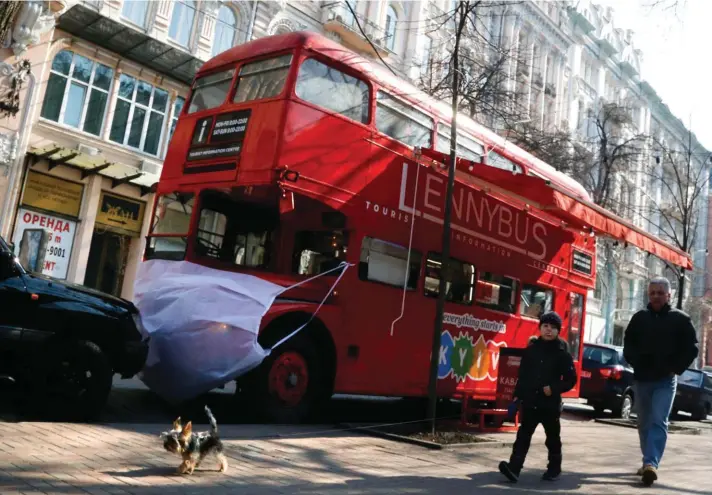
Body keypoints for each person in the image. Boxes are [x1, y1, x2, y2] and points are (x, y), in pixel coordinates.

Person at [623, 277, 699, 487]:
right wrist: (635, 361)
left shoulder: (681, 319)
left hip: (666, 381)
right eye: (652, 293)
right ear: (649, 295)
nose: (656, 296)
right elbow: (628, 343)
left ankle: (650, 464)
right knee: (643, 423)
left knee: (658, 420)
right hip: (642, 379)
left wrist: (676, 368)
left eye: (660, 293)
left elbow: (692, 347)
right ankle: (648, 460)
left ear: (668, 295)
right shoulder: (639, 318)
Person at [498, 311, 577, 483]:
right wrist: (516, 396)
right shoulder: (531, 351)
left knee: (552, 437)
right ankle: (514, 468)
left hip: (550, 404)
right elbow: (523, 376)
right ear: (540, 328)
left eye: (553, 327)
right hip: (530, 402)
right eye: (545, 326)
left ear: (558, 331)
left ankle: (554, 468)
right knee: (523, 436)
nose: (549, 330)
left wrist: (554, 389)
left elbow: (571, 380)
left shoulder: (562, 353)